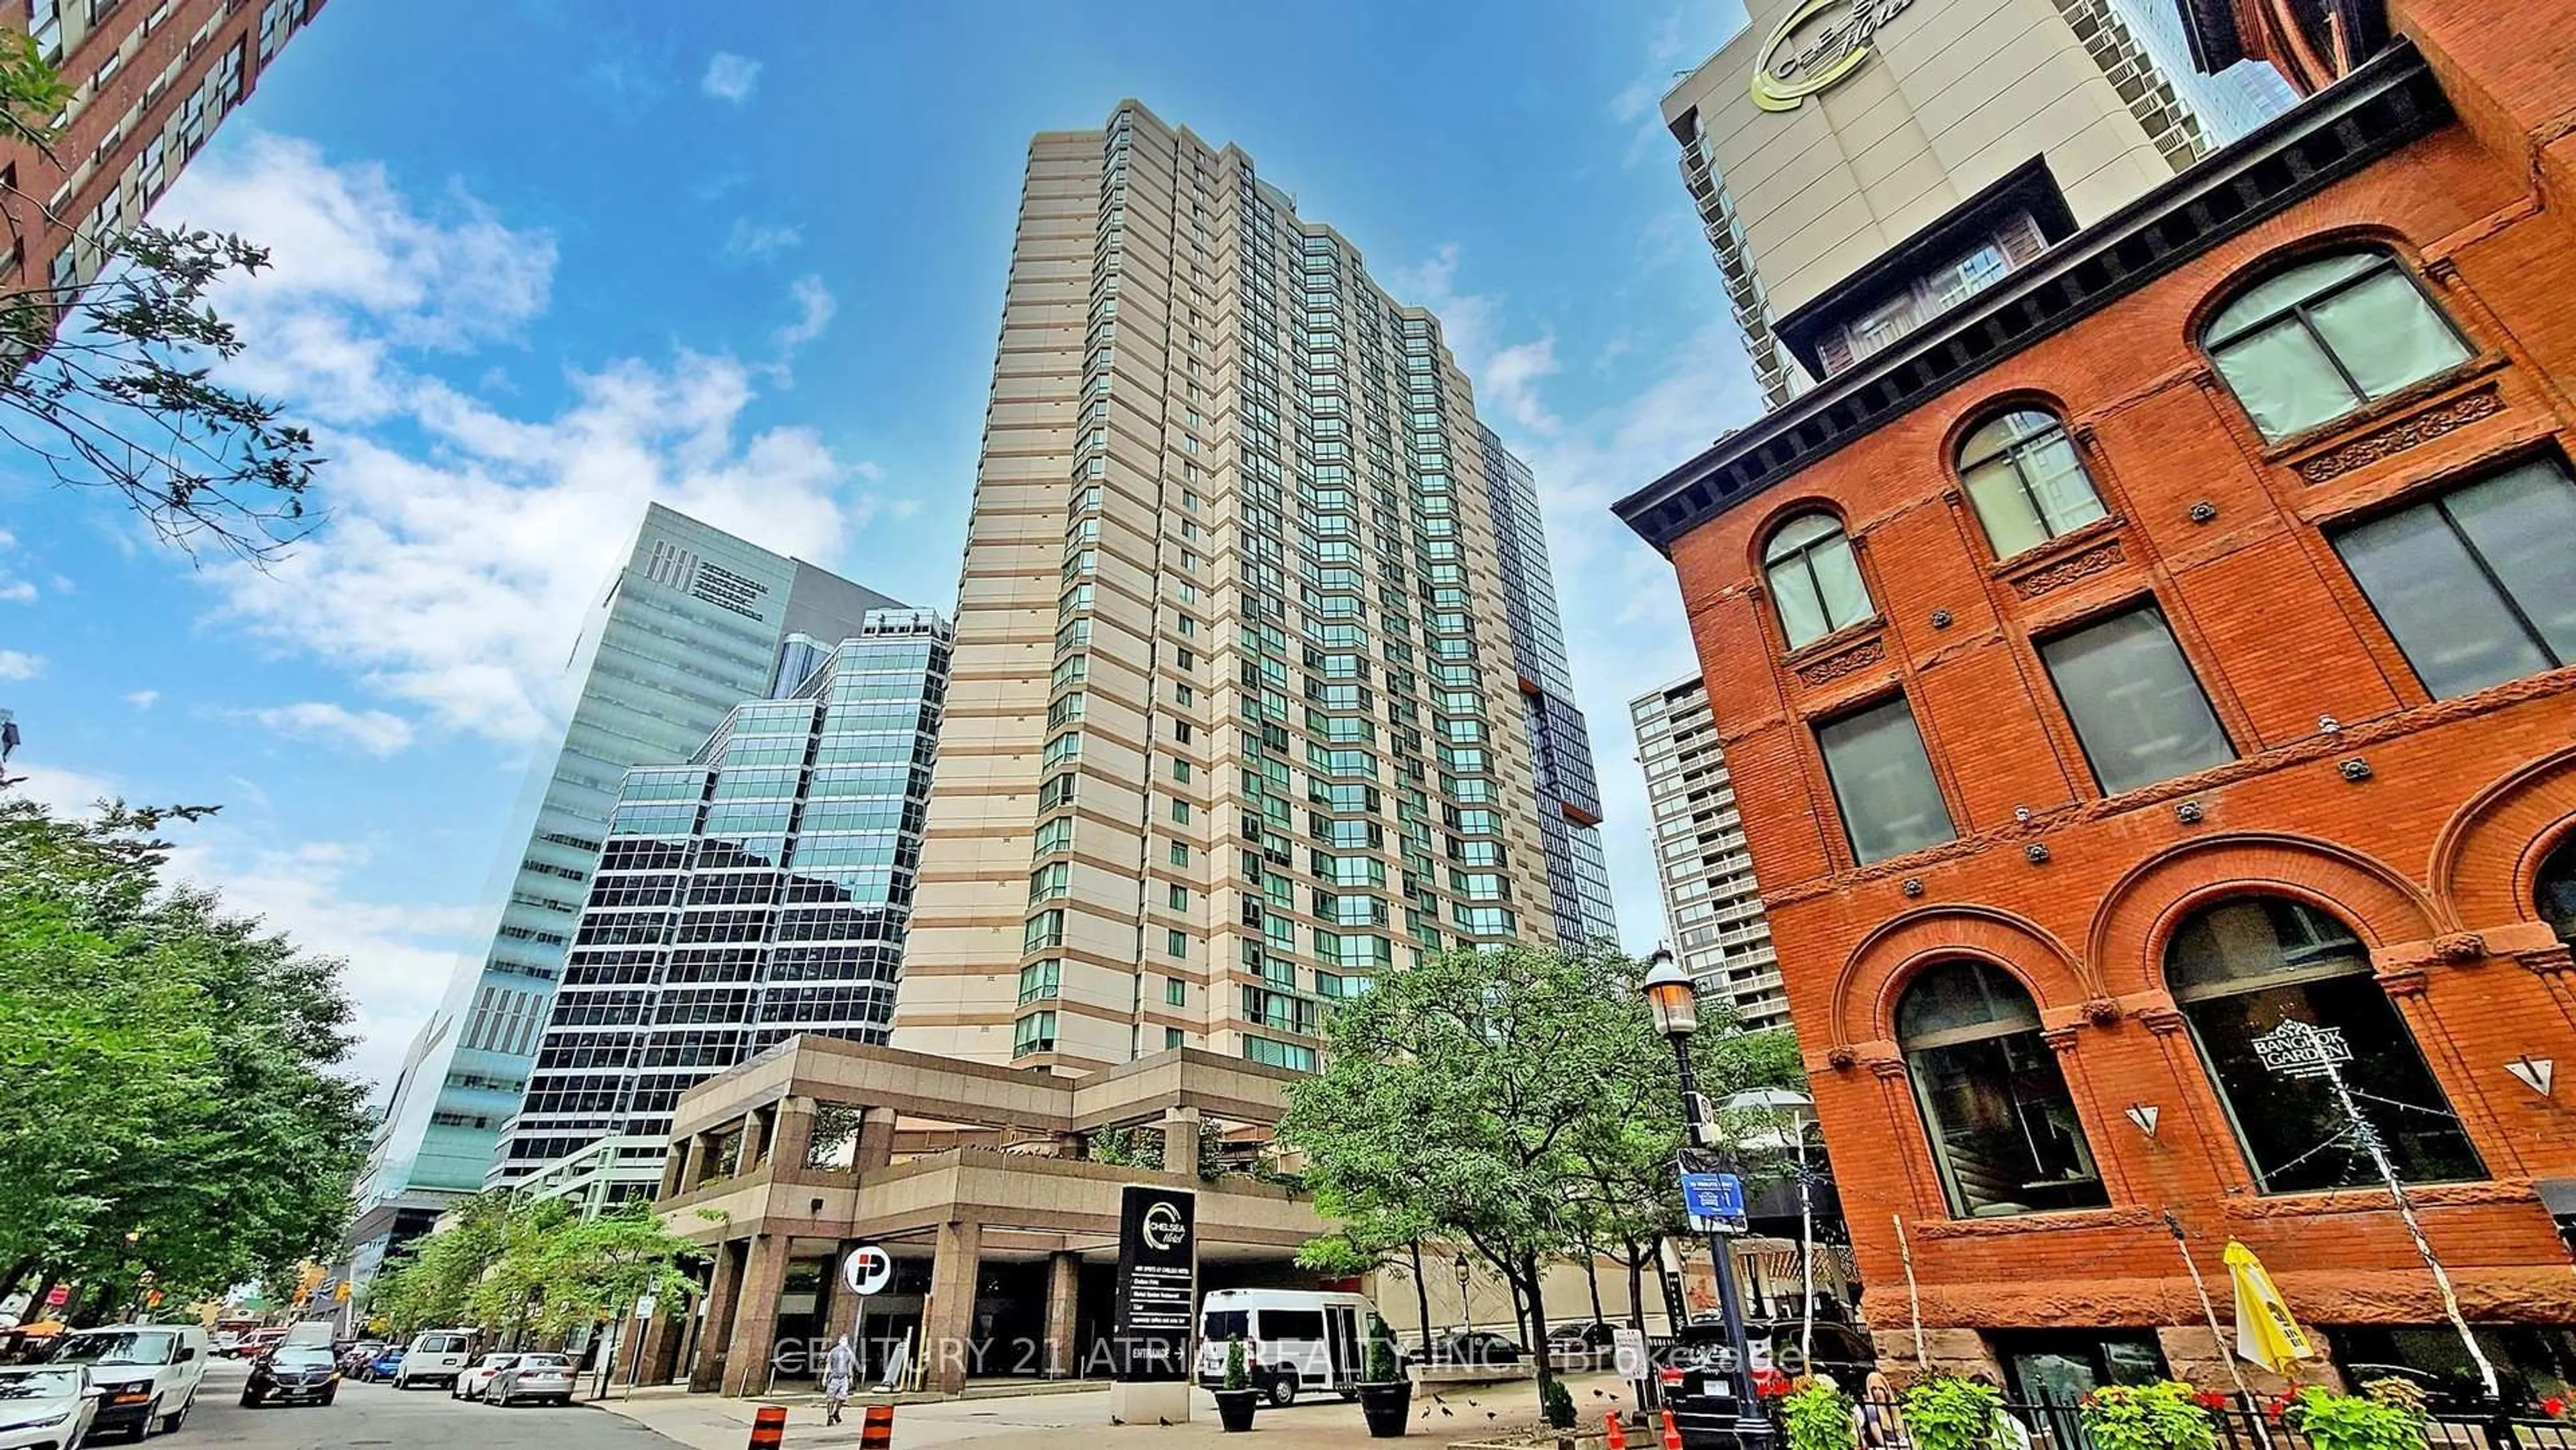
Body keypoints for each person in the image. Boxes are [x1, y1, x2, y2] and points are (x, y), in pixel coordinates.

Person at [1858, 1371, 1909, 1449]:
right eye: (1874, 1389)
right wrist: (1888, 1445)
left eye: (1880, 1388)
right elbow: (1879, 1437)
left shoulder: (1893, 1408)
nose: (1878, 1392)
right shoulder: (1871, 1408)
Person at [823, 1334, 857, 1426]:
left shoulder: (849, 1353)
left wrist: (851, 1378)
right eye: (843, 1340)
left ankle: (836, 1412)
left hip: (844, 1377)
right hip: (834, 1377)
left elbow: (850, 1366)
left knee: (843, 1397)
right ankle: (830, 1416)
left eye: (846, 1341)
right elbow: (828, 1365)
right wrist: (825, 1378)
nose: (844, 1343)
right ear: (839, 1341)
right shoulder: (833, 1352)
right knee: (831, 1398)